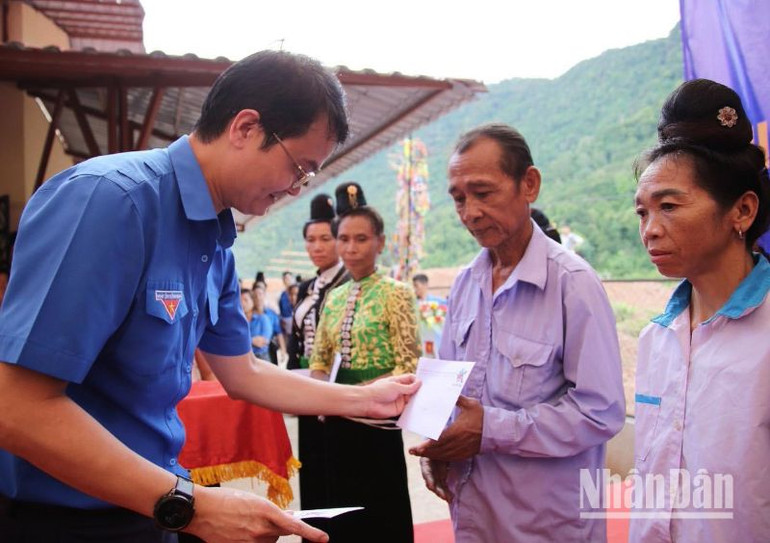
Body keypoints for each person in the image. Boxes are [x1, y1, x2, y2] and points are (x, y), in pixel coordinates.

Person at [0, 50, 419, 543]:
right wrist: (194, 509)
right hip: (63, 520)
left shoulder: (214, 242)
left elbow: (244, 372)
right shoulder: (112, 201)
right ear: (245, 128)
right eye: (299, 168)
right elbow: (17, 405)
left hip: (149, 504)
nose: (294, 189)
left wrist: (363, 398)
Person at [411, 123, 625, 542]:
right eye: (459, 199)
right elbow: (447, 386)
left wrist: (491, 429)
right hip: (473, 514)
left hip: (546, 523)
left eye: (483, 193)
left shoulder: (572, 284)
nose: (470, 213)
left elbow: (600, 412)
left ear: (529, 184)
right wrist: (437, 444)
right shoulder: (465, 284)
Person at [629, 79, 770, 542]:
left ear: (742, 211)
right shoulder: (657, 338)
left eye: (669, 206)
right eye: (642, 212)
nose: (650, 230)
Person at [308, 182, 420, 543]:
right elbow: (319, 359)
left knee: (381, 513)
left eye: (361, 239)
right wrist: (324, 397)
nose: (351, 248)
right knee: (342, 514)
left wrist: (360, 395)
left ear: (380, 242)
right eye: (344, 239)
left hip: (379, 423)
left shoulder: (397, 294)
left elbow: (408, 364)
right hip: (336, 424)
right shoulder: (334, 297)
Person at [287, 193, 350, 540]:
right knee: (312, 468)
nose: (317, 247)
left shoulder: (349, 283)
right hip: (307, 391)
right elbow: (296, 343)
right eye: (310, 240)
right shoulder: (306, 288)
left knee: (338, 472)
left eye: (325, 238)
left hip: (340, 393)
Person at [278, 270, 296, 337]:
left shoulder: (297, 292)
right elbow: (281, 309)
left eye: (288, 278)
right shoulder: (282, 294)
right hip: (285, 323)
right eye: (285, 278)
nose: (287, 280)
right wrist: (281, 318)